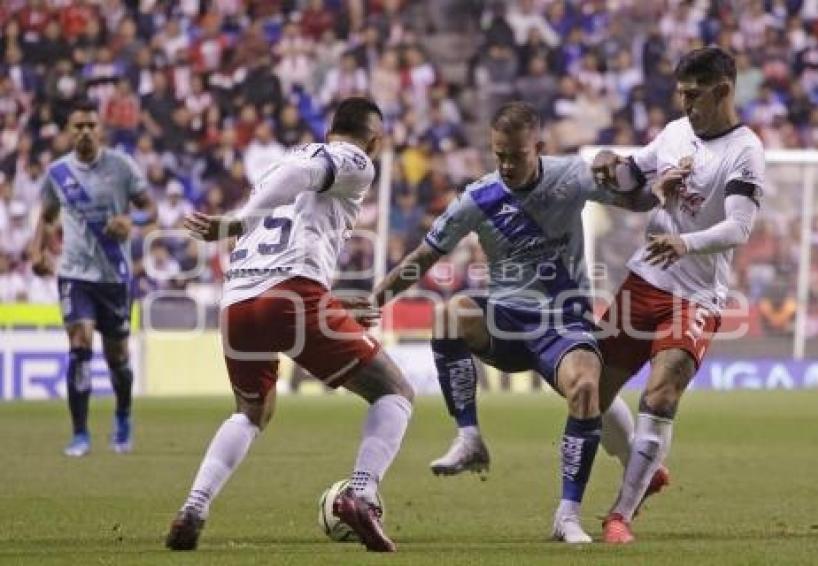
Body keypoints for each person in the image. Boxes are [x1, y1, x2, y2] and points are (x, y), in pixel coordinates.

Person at [368, 101, 656, 543]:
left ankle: (567, 516)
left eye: (515, 156)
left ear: (537, 147)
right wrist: (376, 300)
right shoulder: (478, 197)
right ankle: (469, 438)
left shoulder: (571, 176)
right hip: (504, 319)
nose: (505, 165)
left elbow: (637, 202)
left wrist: (623, 173)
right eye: (498, 154)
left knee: (585, 389)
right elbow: (425, 256)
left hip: (563, 319)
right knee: (449, 315)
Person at [167, 98, 414, 553]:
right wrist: (236, 223)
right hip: (291, 295)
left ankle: (194, 506)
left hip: (239, 300)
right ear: (375, 140)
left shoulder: (286, 160)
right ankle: (360, 494)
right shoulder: (353, 159)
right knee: (394, 391)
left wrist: (330, 305)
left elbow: (285, 233)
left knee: (251, 411)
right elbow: (297, 189)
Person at [592, 47, 765, 543]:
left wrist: (683, 241)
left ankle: (619, 514)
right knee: (587, 391)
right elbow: (630, 175)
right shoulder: (673, 133)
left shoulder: (745, 150)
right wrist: (610, 164)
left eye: (694, 94)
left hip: (695, 296)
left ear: (723, 90)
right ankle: (645, 470)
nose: (685, 102)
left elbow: (738, 227)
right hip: (644, 280)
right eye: (682, 93)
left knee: (662, 390)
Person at [31, 98, 157, 457]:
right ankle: (80, 433)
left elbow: (152, 209)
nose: (85, 132)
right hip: (74, 274)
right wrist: (37, 250)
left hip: (114, 276)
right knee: (80, 348)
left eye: (91, 125)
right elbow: (47, 214)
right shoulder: (57, 173)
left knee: (117, 357)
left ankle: (123, 416)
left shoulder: (122, 166)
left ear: (100, 129)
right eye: (78, 126)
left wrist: (132, 222)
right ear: (69, 131)